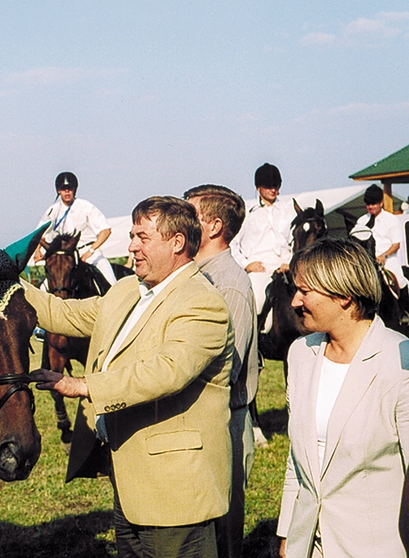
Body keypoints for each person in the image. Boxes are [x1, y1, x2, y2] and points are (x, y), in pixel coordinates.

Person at [29, 196, 234, 558]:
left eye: (142, 237)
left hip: (175, 494)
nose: (131, 246)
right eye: (132, 236)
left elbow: (166, 372)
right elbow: (62, 312)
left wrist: (83, 385)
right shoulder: (126, 290)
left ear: (177, 243)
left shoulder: (202, 302)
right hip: (131, 481)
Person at [276, 238, 409, 557]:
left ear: (344, 295)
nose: (295, 301)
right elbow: (299, 457)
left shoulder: (399, 363)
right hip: (308, 544)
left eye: (305, 291)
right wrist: (287, 533)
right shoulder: (300, 354)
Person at [184, 185, 258, 558]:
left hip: (223, 423)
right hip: (199, 420)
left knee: (221, 537)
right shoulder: (196, 276)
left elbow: (226, 367)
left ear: (214, 227)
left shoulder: (229, 283)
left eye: (190, 215)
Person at [230, 162, 293, 323]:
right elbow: (233, 243)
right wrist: (246, 264)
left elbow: (294, 240)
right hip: (260, 268)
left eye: (277, 185)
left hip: (286, 265)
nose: (274, 190)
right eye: (268, 186)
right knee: (257, 302)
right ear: (258, 187)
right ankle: (258, 337)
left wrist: (290, 262)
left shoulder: (288, 209)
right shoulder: (246, 211)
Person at [33, 171, 117, 286]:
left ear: (74, 189)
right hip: (64, 257)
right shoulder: (52, 210)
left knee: (111, 283)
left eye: (70, 188)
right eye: (63, 188)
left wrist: (90, 251)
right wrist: (37, 251)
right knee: (44, 288)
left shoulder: (86, 206)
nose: (67, 191)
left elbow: (106, 230)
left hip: (88, 253)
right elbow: (40, 233)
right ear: (58, 191)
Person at [354, 183, 408, 291]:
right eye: (368, 204)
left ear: (381, 203)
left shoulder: (391, 219)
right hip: (368, 262)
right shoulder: (361, 221)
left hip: (387, 260)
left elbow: (396, 245)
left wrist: (384, 256)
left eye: (373, 204)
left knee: (400, 281)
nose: (370, 207)